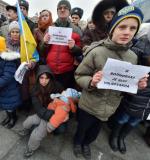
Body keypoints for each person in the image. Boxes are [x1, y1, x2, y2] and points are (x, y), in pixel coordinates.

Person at [73, 6, 146, 160]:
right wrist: (92, 81)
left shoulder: (132, 57)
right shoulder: (96, 51)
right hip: (89, 104)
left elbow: (126, 84)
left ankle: (86, 144)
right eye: (122, 27)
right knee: (82, 128)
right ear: (113, 28)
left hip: (109, 109)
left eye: (133, 28)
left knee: (94, 132)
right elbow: (79, 75)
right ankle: (78, 143)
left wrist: (136, 85)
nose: (127, 32)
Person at [109, 23, 150, 154]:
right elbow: (130, 61)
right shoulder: (144, 42)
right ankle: (114, 136)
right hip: (140, 88)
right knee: (125, 116)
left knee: (136, 119)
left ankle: (122, 138)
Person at [18, 65, 64, 157]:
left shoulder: (57, 86)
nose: (44, 81)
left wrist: (56, 113)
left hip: (55, 113)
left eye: (47, 78)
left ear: (50, 78)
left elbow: (64, 100)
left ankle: (31, 148)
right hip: (43, 112)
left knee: (38, 133)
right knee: (30, 120)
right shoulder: (35, 89)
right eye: (42, 78)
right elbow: (37, 107)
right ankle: (25, 129)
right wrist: (49, 114)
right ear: (38, 77)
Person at [43, 0, 82, 89]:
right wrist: (44, 43)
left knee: (64, 98)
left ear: (69, 11)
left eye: (65, 8)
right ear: (57, 11)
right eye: (60, 8)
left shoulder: (76, 30)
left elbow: (81, 52)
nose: (62, 10)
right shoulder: (50, 28)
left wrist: (74, 48)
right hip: (50, 70)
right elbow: (42, 51)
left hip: (67, 72)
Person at [0, 24, 21, 129]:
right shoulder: (3, 53)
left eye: (17, 32)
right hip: (4, 86)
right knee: (5, 103)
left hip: (10, 84)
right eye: (13, 32)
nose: (15, 34)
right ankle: (8, 117)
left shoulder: (8, 58)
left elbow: (7, 76)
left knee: (11, 104)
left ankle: (13, 118)